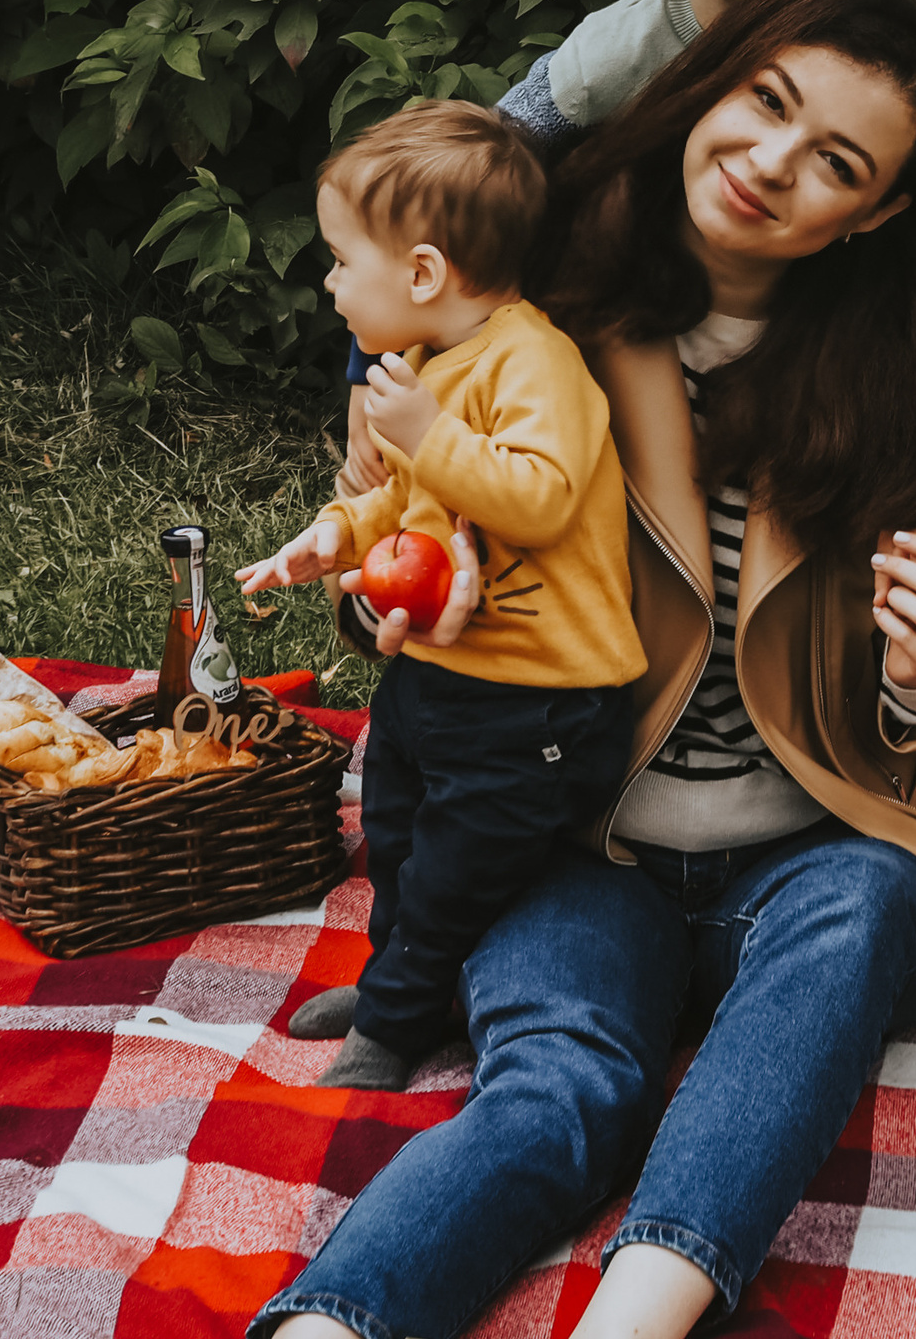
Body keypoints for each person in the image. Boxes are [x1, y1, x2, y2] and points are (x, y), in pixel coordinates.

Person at [253, 0, 916, 1339]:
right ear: (712, 79)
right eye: (765, 100)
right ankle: (333, 1324)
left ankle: (642, 1314)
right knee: (559, 1084)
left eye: (836, 160)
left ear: (879, 211)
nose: (771, 163)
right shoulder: (529, 322)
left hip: (807, 855)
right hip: (578, 832)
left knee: (869, 904)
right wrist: (412, 598)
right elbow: (390, 563)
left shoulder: (907, 388)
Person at [336, 0, 872, 500]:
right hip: (610, 292)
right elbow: (452, 186)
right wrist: (376, 358)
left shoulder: (869, 50)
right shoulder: (616, 57)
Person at [241, 101, 648, 1090]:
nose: (331, 283)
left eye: (342, 260)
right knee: (393, 831)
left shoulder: (535, 362)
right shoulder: (427, 366)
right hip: (441, 668)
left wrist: (428, 434)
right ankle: (399, 987)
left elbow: (540, 500)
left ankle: (397, 1021)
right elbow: (404, 501)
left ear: (423, 273)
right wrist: (329, 541)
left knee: (457, 864)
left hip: (536, 690)